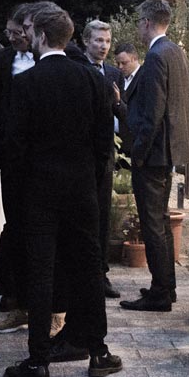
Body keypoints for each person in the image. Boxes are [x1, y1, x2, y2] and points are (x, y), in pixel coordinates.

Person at [0, 3, 119, 377]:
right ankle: (99, 352)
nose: (28, 38)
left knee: (40, 269)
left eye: (32, 33)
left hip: (40, 191)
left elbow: (12, 147)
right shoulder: (93, 81)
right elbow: (104, 144)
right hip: (82, 188)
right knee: (88, 265)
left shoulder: (27, 83)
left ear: (42, 37)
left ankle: (38, 362)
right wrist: (89, 177)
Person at [120, 0, 189, 312]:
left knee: (153, 224)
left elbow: (153, 113)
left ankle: (160, 292)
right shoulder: (175, 51)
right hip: (169, 151)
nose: (138, 28)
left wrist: (137, 153)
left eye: (139, 22)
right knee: (160, 222)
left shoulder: (156, 57)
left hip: (153, 154)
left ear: (148, 23)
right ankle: (167, 287)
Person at [0, 3, 37, 332]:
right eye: (10, 34)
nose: (14, 39)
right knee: (13, 222)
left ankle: (33, 297)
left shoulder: (44, 59)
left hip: (36, 153)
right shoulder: (4, 59)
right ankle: (11, 292)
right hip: (10, 152)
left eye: (18, 33)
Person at [81, 19, 127, 297]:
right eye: (98, 41)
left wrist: (118, 103)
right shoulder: (78, 69)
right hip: (81, 152)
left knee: (102, 215)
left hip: (105, 153)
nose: (103, 46)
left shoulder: (113, 73)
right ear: (87, 41)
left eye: (107, 42)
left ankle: (101, 274)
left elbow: (123, 113)